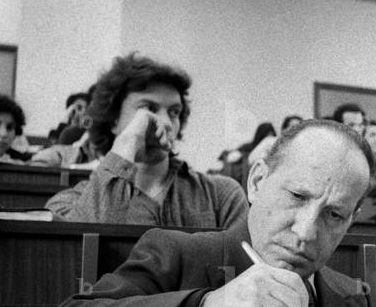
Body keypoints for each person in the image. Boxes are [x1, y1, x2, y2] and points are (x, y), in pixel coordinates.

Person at [35, 120, 376, 307]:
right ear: (257, 181)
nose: (306, 232)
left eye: (334, 215)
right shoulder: (176, 255)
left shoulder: (351, 295)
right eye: (298, 196)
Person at [46, 53, 247, 228]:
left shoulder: (221, 196)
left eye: (174, 112)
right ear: (113, 120)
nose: (166, 122)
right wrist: (128, 142)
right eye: (148, 109)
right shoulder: (68, 204)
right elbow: (84, 249)